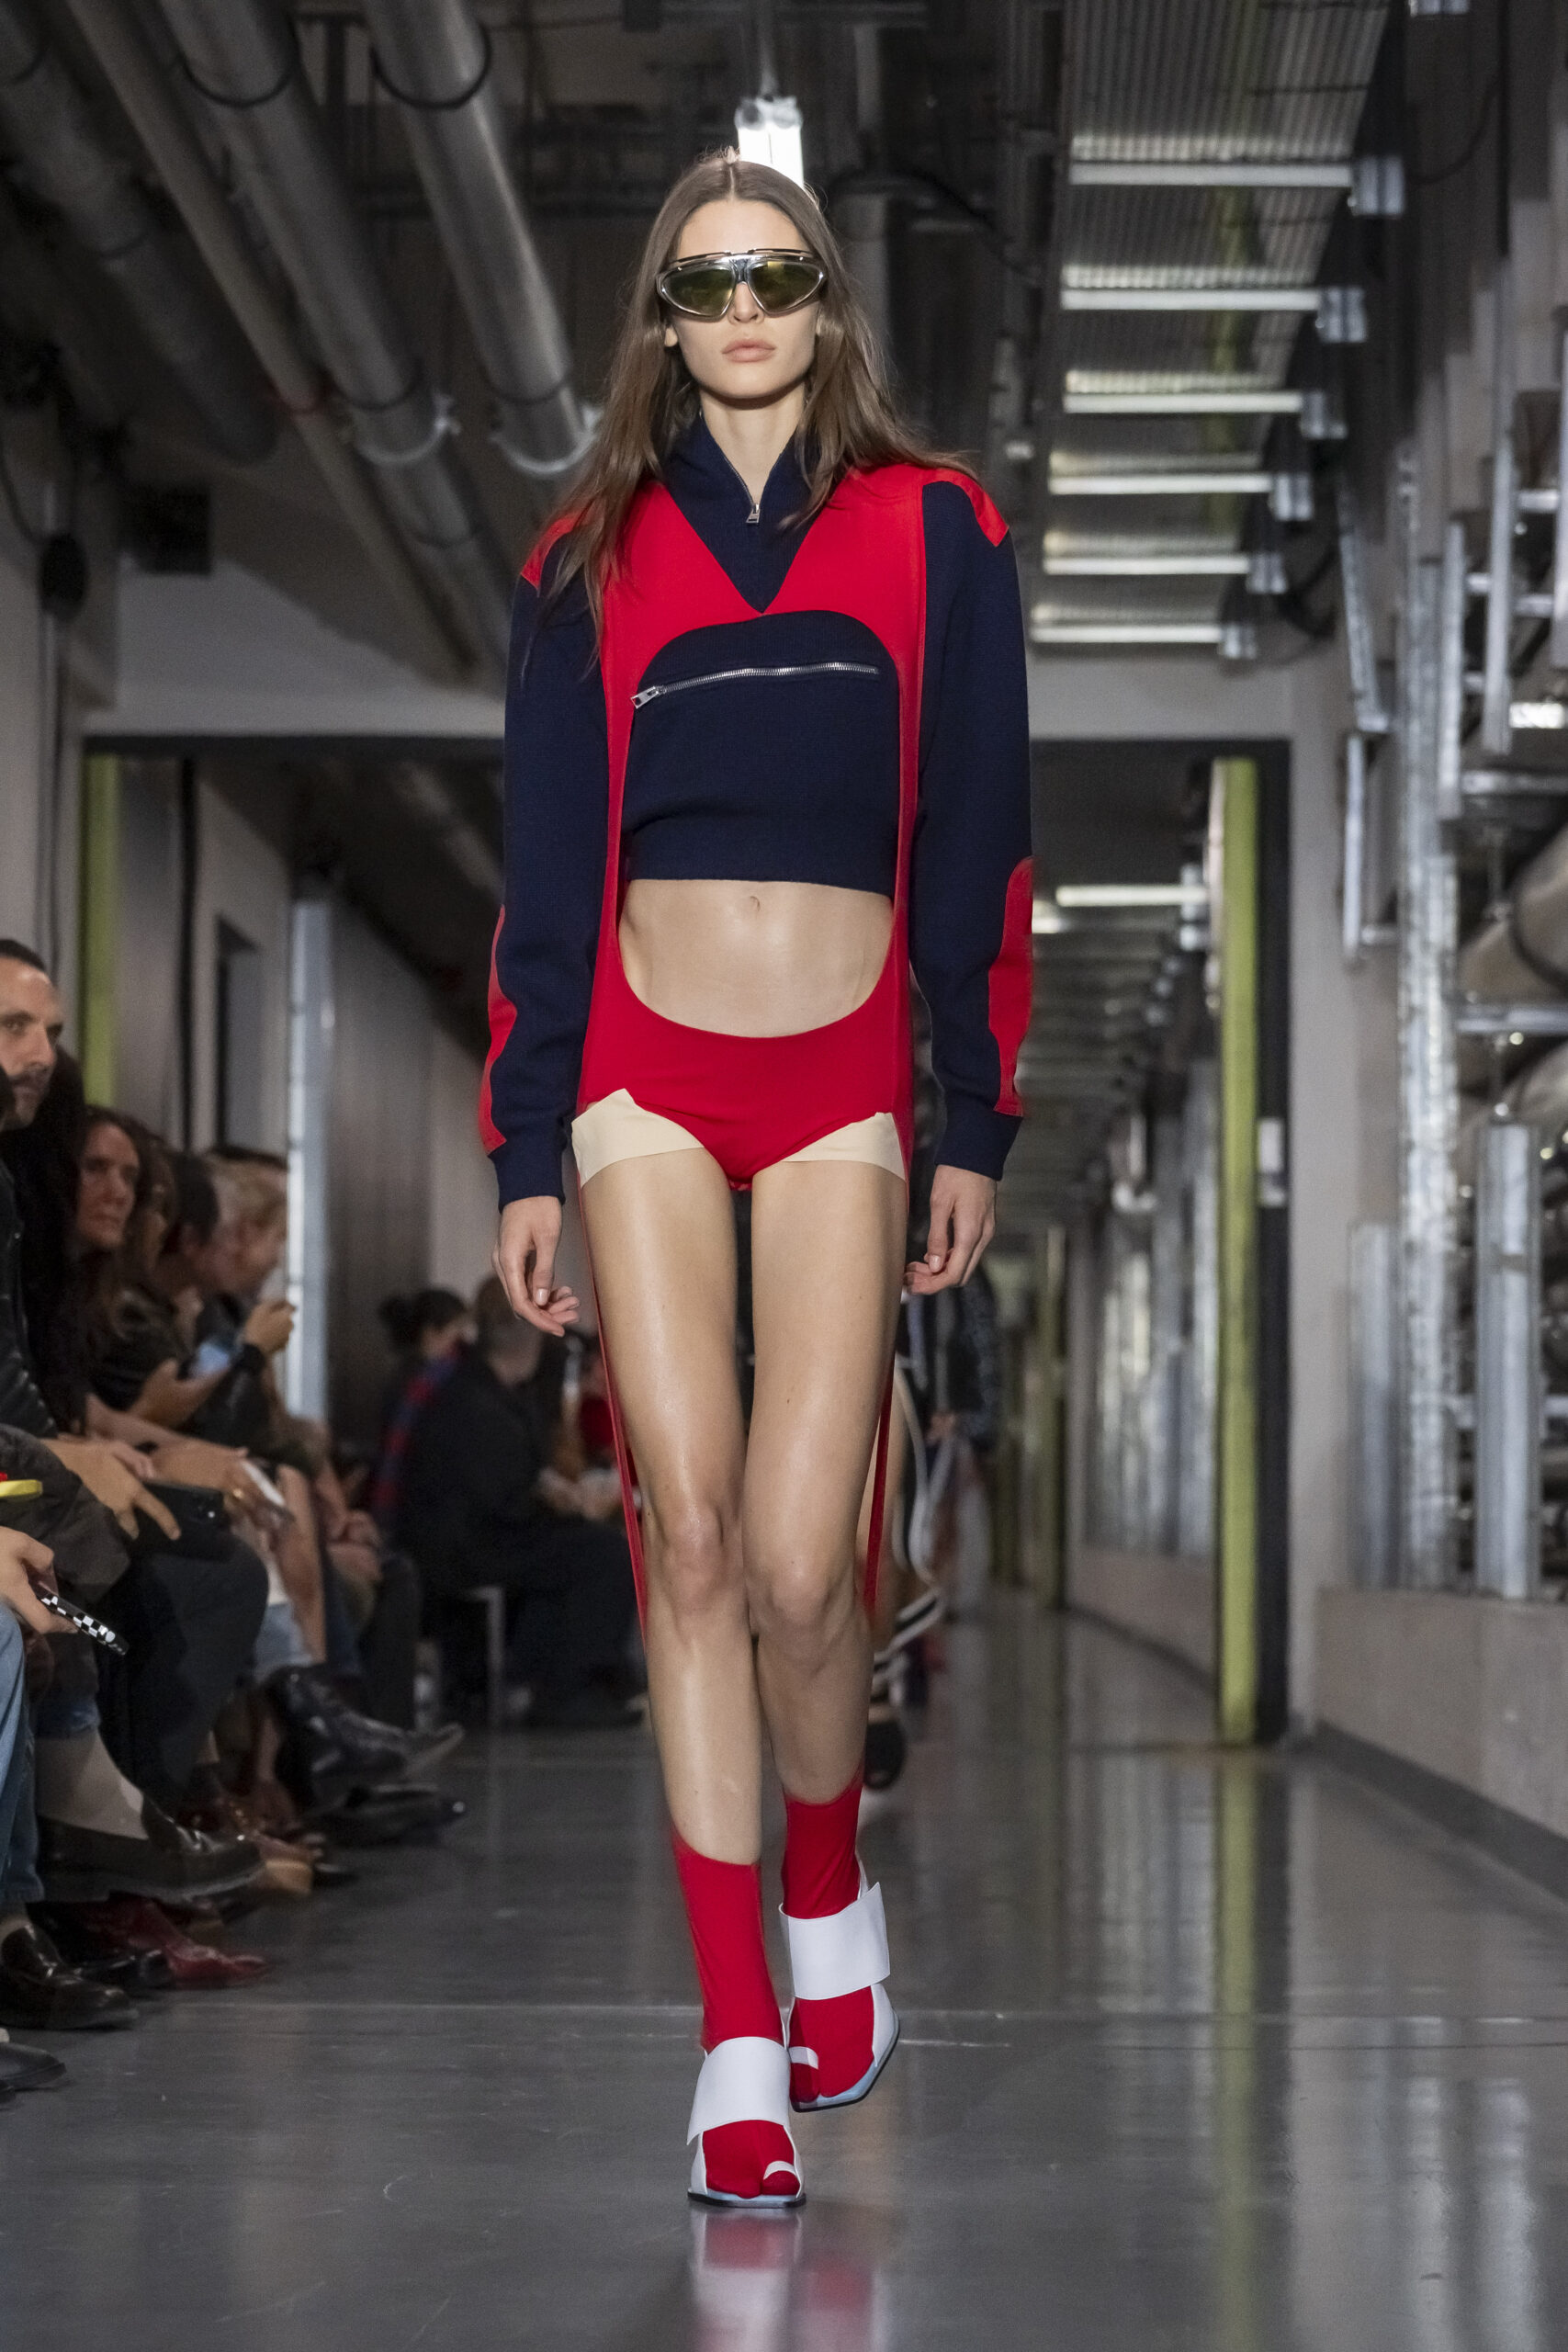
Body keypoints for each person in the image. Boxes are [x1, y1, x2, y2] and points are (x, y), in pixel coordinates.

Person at [483, 154, 1031, 2203]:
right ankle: (734, 2036)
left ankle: (825, 1882)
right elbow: (548, 875)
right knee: (691, 1532)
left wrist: (973, 1112)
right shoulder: (584, 557)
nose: (737, 310)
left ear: (823, 298)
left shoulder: (936, 527)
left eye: (771, 275)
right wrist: (525, 1142)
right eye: (700, 281)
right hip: (637, 1064)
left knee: (810, 1566)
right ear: (660, 311)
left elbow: (979, 830)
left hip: (841, 1074)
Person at [395, 1279, 637, 1726]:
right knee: (606, 1554)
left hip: (468, 1535)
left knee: (581, 1548)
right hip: (466, 1548)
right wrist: (567, 1503)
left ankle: (556, 1675)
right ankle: (565, 1688)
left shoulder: (473, 1388)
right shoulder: (481, 1404)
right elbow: (506, 1499)